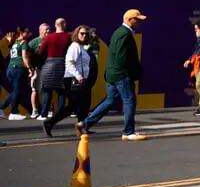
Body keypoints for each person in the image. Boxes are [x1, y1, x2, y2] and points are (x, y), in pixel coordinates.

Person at [82, 9, 147, 141]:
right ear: (129, 20)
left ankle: (85, 124)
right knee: (129, 100)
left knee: (110, 100)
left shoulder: (120, 32)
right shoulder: (124, 33)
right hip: (120, 74)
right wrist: (127, 73)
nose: (139, 22)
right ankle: (128, 132)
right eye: (137, 20)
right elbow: (121, 56)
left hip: (112, 73)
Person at [43, 25, 93, 138]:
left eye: (86, 34)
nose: (84, 36)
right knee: (74, 105)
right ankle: (50, 122)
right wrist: (78, 76)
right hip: (73, 78)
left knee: (83, 104)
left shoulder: (82, 47)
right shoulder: (74, 47)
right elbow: (70, 63)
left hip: (80, 79)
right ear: (77, 34)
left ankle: (82, 126)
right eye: (82, 33)